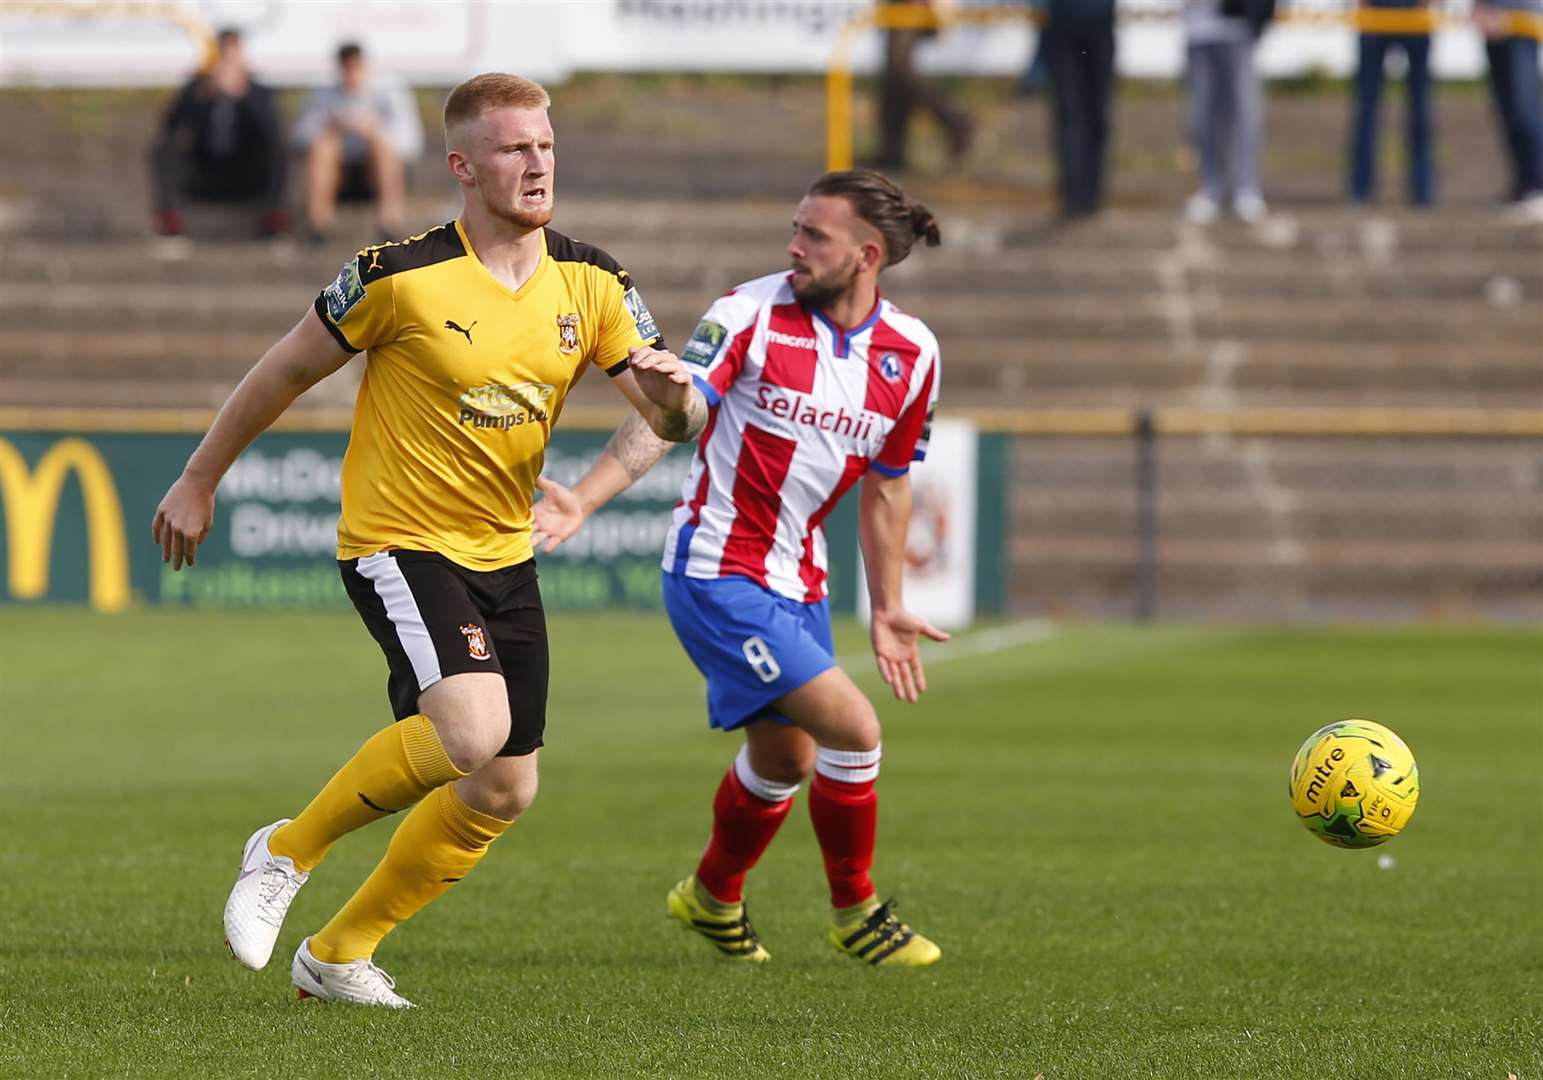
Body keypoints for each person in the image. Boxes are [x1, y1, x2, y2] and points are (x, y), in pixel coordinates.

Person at [152, 72, 707, 1008]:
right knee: (470, 729)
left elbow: (670, 414)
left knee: (503, 790)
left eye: (545, 145)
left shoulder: (595, 280)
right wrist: (200, 477)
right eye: (511, 148)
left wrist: (651, 429)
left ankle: (338, 955)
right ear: (461, 165)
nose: (536, 163)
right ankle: (284, 851)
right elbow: (283, 370)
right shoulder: (394, 274)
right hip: (399, 541)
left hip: (504, 552)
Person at [533, 169, 949, 967]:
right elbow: (675, 414)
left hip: (801, 583)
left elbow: (888, 486)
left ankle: (710, 897)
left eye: (814, 236)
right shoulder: (747, 314)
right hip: (715, 572)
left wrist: (888, 604)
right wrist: (585, 498)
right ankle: (856, 911)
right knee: (854, 731)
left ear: (866, 255)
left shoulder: (912, 352)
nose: (794, 246)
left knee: (784, 758)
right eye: (795, 227)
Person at [149, 28, 287, 238]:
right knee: (163, 152)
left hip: (245, 171)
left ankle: (273, 224)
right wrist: (202, 95)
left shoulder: (258, 91)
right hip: (206, 169)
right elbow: (170, 127)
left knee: (278, 151)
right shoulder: (198, 89)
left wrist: (243, 94)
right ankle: (170, 224)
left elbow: (271, 131)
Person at [292, 43, 425, 241]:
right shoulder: (323, 92)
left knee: (382, 147)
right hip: (339, 175)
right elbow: (299, 137)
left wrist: (373, 131)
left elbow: (410, 144)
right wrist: (331, 128)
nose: (351, 75)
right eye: (347, 69)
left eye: (356, 68)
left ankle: (389, 222)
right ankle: (318, 223)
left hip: (376, 173)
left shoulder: (390, 90)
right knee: (323, 147)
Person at [1183, 0, 1277, 225]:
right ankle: (1210, 188)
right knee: (1203, 117)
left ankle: (1246, 188)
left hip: (1239, 28)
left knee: (1245, 115)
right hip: (1198, 30)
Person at [1349, 0, 1436, 207]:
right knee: (1367, 108)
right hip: (1375, 12)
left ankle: (1422, 189)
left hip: (1417, 13)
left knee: (1420, 108)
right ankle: (1360, 188)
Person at [872, 0, 974, 171]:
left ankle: (957, 122)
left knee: (900, 73)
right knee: (894, 79)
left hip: (911, 6)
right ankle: (892, 151)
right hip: (898, 7)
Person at [1044, 0, 1117, 217]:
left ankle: (1087, 196)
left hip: (1092, 22)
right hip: (1067, 24)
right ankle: (1076, 195)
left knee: (1089, 114)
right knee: (1073, 115)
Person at [1475, 0, 1543, 221]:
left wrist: (1506, 11)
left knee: (1524, 108)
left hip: (1520, 20)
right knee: (1508, 111)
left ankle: (1536, 187)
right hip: (1493, 20)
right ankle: (1523, 186)